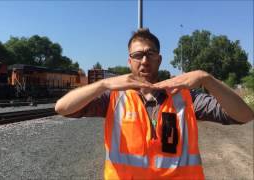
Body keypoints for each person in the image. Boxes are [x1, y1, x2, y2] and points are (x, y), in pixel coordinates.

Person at [55, 28, 254, 179]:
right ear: (129, 61)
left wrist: (206, 79)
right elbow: (62, 108)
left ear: (159, 59)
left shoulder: (186, 97)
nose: (144, 60)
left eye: (150, 54)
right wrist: (104, 84)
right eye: (137, 55)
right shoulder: (113, 98)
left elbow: (244, 115)